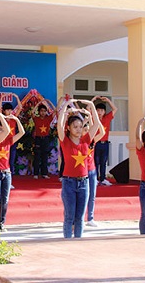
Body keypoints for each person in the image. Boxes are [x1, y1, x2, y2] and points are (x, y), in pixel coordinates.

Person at [57, 99, 100, 238]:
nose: (78, 129)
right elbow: (59, 124)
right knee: (69, 217)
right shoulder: (65, 141)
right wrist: (66, 107)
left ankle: (78, 242)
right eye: (75, 126)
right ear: (68, 127)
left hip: (84, 183)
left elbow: (97, 124)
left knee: (80, 218)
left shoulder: (86, 140)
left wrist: (91, 106)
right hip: (69, 182)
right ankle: (68, 241)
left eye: (80, 126)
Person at [0, 114, 24, 232]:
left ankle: (2, 223)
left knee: (5, 200)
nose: (1, 131)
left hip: (7, 173)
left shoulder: (8, 141)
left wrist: (16, 120)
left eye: (3, 129)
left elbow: (22, 133)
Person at [83, 115, 105, 228]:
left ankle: (90, 217)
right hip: (82, 172)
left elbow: (101, 132)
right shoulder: (79, 141)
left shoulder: (92, 141)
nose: (87, 132)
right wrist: (85, 121)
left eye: (88, 130)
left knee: (92, 195)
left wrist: (93, 119)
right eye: (85, 130)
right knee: (83, 196)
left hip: (92, 171)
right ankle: (80, 218)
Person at [91, 96, 118, 186]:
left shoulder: (107, 118)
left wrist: (108, 101)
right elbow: (88, 108)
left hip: (105, 143)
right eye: (98, 110)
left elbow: (115, 109)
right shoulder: (94, 118)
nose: (99, 112)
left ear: (104, 112)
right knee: (95, 162)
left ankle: (103, 179)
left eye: (102, 111)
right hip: (96, 143)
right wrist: (94, 99)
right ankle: (94, 178)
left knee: (103, 162)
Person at [0, 93, 22, 174]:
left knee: (11, 161)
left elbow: (20, 108)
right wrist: (1, 98)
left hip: (12, 141)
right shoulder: (2, 118)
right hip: (4, 142)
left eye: (10, 110)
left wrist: (16, 97)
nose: (10, 111)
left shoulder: (13, 118)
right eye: (7, 110)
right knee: (4, 160)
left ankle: (10, 178)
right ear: (4, 111)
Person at [32, 99, 56, 179]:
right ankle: (35, 174)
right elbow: (32, 112)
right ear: (39, 112)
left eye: (45, 111)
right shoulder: (36, 119)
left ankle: (44, 174)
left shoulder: (48, 119)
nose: (43, 112)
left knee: (44, 157)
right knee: (37, 157)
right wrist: (38, 103)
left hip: (46, 139)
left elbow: (55, 111)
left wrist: (49, 102)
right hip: (38, 139)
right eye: (41, 111)